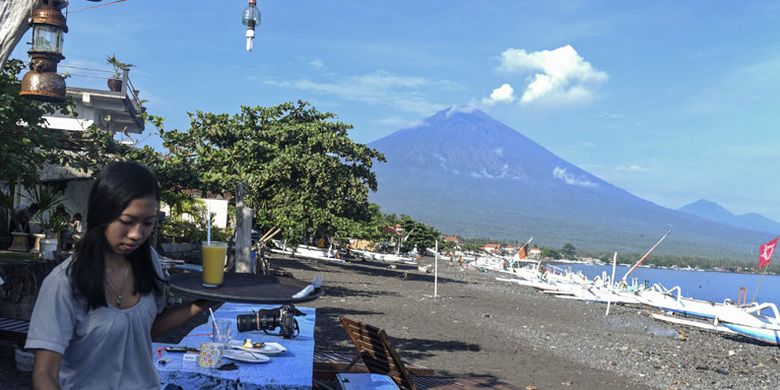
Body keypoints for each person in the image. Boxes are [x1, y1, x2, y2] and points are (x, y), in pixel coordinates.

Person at [25, 161, 220, 390]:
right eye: (127, 222)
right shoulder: (63, 284)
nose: (137, 234)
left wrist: (205, 302)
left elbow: (145, 328)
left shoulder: (149, 262)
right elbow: (44, 372)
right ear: (102, 215)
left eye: (148, 223)